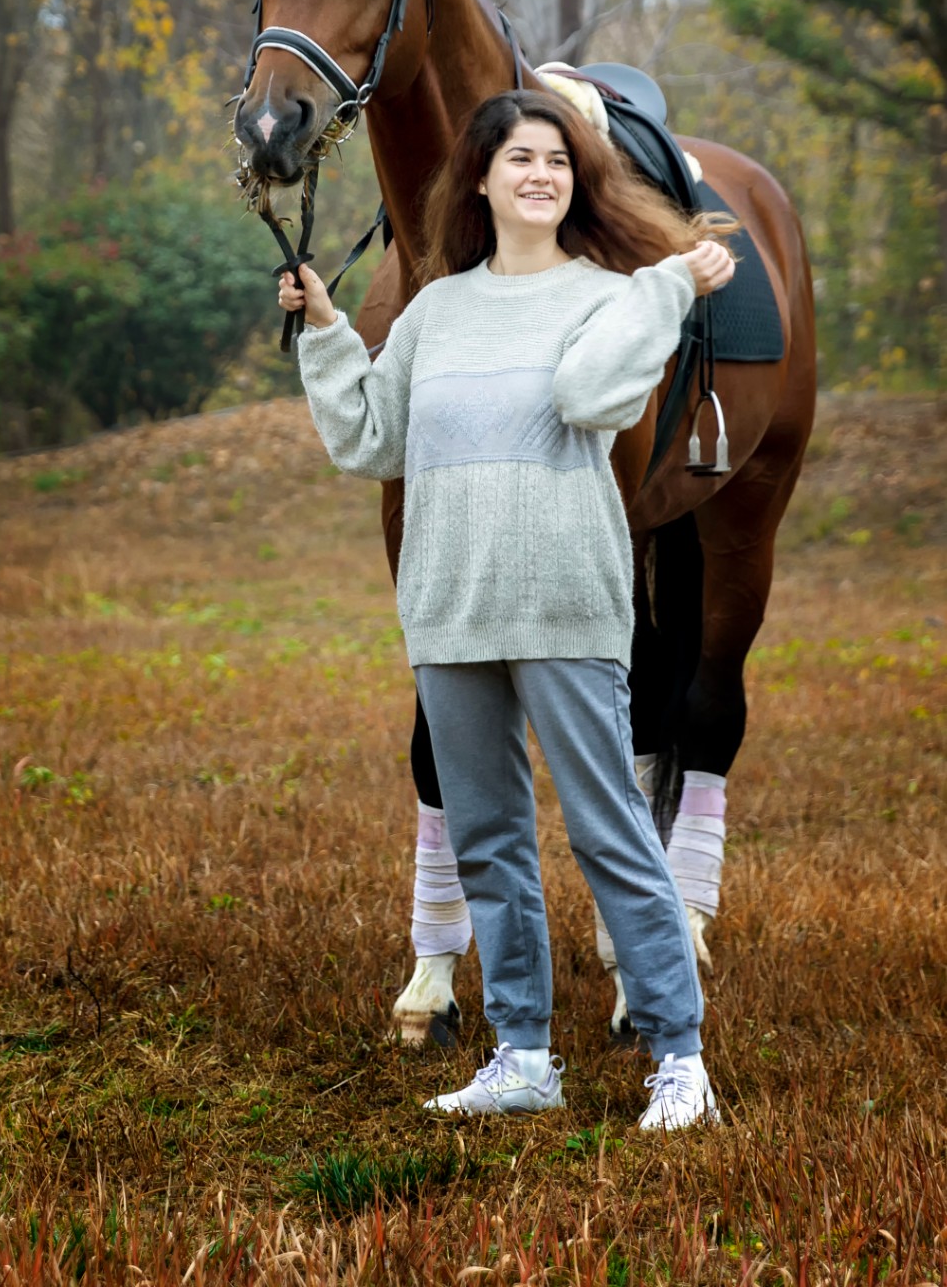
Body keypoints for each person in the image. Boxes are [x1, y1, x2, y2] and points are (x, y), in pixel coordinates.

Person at [279, 89, 735, 1129]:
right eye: (519, 157)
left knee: (610, 833)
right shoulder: (436, 309)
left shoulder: (609, 294)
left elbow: (588, 397)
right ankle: (524, 1052)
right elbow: (368, 439)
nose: (540, 173)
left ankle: (680, 1057)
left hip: (565, 604)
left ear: (576, 185)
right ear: (479, 178)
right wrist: (326, 329)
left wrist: (664, 292)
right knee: (488, 838)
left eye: (558, 162)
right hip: (450, 611)